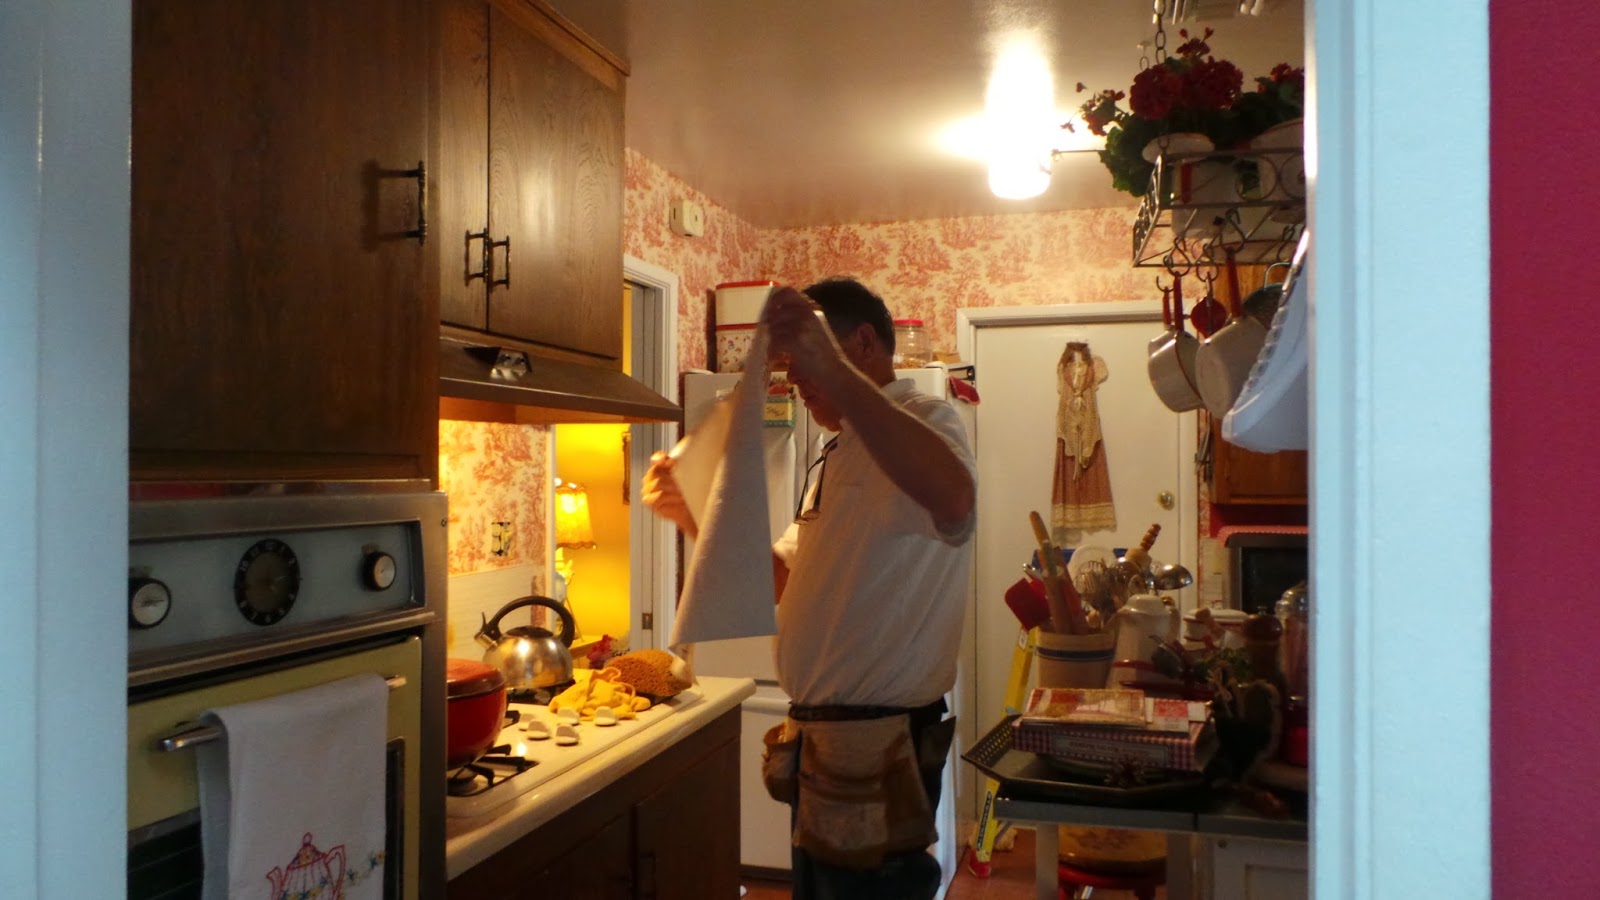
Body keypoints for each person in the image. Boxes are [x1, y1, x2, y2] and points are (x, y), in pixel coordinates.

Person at [643, 277, 976, 899]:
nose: (796, 384)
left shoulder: (926, 416)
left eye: (807, 366)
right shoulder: (835, 450)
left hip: (880, 749)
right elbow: (782, 578)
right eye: (795, 370)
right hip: (824, 747)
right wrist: (691, 515)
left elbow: (955, 498)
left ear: (866, 344)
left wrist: (830, 369)